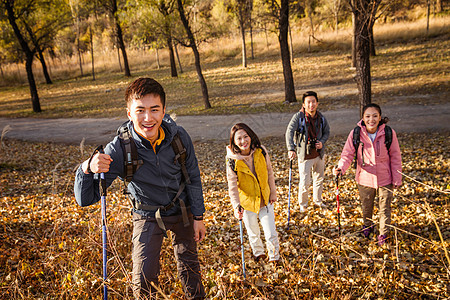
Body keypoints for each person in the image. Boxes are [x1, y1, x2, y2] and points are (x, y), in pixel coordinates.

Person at [74, 77, 206, 299]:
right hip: (146, 215)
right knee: (143, 279)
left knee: (190, 269)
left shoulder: (179, 137)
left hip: (182, 210)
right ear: (129, 113)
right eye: (140, 110)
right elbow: (85, 199)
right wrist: (86, 167)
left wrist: (199, 216)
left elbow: (193, 177)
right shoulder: (119, 149)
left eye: (154, 110)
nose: (148, 118)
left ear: (164, 111)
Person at [333, 103, 402, 246]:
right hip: (364, 178)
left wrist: (397, 177)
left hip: (386, 178)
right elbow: (347, 154)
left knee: (385, 208)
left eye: (375, 116)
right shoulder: (356, 133)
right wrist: (341, 168)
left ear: (380, 117)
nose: (372, 120)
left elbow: (395, 157)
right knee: (367, 206)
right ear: (363, 118)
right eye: (368, 116)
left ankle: (383, 234)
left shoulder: (388, 133)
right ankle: (367, 226)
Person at [226, 123, 280, 263]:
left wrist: (273, 193)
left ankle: (274, 258)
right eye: (239, 139)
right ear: (234, 142)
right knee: (253, 232)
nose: (243, 141)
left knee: (270, 232)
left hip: (265, 198)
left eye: (246, 137)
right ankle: (259, 253)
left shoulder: (261, 151)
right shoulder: (232, 161)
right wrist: (236, 205)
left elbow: (269, 172)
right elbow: (232, 187)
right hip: (247, 203)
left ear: (251, 136)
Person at [285, 91, 330, 212]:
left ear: (317, 103)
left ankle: (317, 201)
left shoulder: (321, 117)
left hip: (319, 154)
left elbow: (327, 132)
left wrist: (322, 142)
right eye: (308, 102)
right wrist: (291, 148)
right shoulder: (298, 117)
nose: (311, 105)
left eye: (313, 102)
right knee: (305, 181)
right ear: (304, 104)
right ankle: (303, 204)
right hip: (304, 155)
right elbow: (289, 131)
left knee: (319, 179)